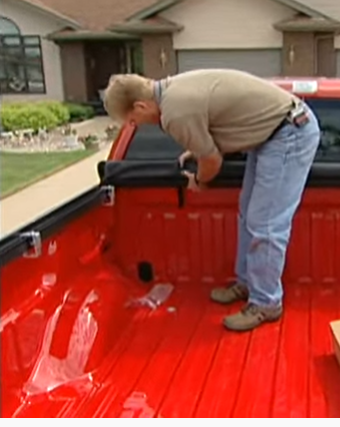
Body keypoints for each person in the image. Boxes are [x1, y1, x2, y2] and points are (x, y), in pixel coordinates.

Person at [102, 69, 321, 332]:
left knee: (266, 224)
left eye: (133, 120)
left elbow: (212, 162)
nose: (135, 124)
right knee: (248, 215)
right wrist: (197, 145)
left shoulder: (175, 111)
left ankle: (266, 302)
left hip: (289, 132)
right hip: (272, 133)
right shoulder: (172, 90)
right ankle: (248, 283)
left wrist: (199, 180)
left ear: (140, 105)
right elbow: (210, 126)